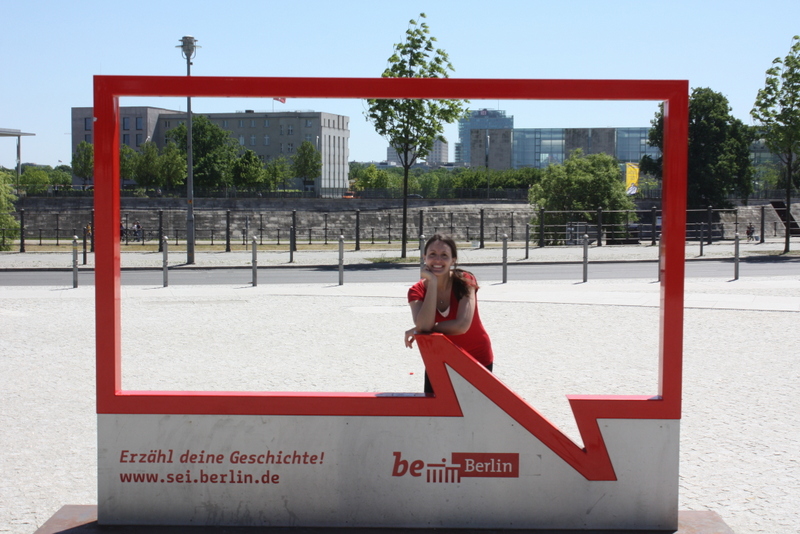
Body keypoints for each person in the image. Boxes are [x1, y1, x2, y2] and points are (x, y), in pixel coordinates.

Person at [405, 234, 494, 393]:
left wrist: (422, 329)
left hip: (476, 357)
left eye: (444, 255)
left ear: (453, 260)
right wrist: (432, 283)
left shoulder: (465, 280)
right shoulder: (416, 291)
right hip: (439, 360)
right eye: (432, 254)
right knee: (435, 409)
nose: (438, 260)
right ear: (425, 257)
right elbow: (423, 325)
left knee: (476, 409)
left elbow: (461, 326)